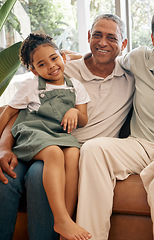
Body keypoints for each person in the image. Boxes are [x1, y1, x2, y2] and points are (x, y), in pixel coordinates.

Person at [0, 14, 134, 240]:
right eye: (97, 35)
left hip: (74, 151)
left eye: (111, 37)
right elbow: (18, 112)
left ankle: (63, 225)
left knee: (37, 176)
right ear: (89, 36)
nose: (102, 42)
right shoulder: (64, 70)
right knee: (7, 176)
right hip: (36, 140)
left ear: (123, 44)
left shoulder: (130, 76)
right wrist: (4, 147)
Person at [75, 6, 154, 240]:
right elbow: (107, 58)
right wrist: (72, 57)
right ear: (153, 39)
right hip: (140, 144)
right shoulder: (138, 59)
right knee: (93, 149)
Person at [0, 32, 91, 240]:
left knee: (74, 154)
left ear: (63, 57)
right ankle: (60, 218)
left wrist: (75, 112)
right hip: (33, 133)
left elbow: (84, 118)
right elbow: (8, 114)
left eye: (54, 58)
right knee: (54, 154)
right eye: (41, 64)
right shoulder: (30, 86)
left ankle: (65, 220)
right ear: (33, 70)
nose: (51, 66)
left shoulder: (75, 86)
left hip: (58, 135)